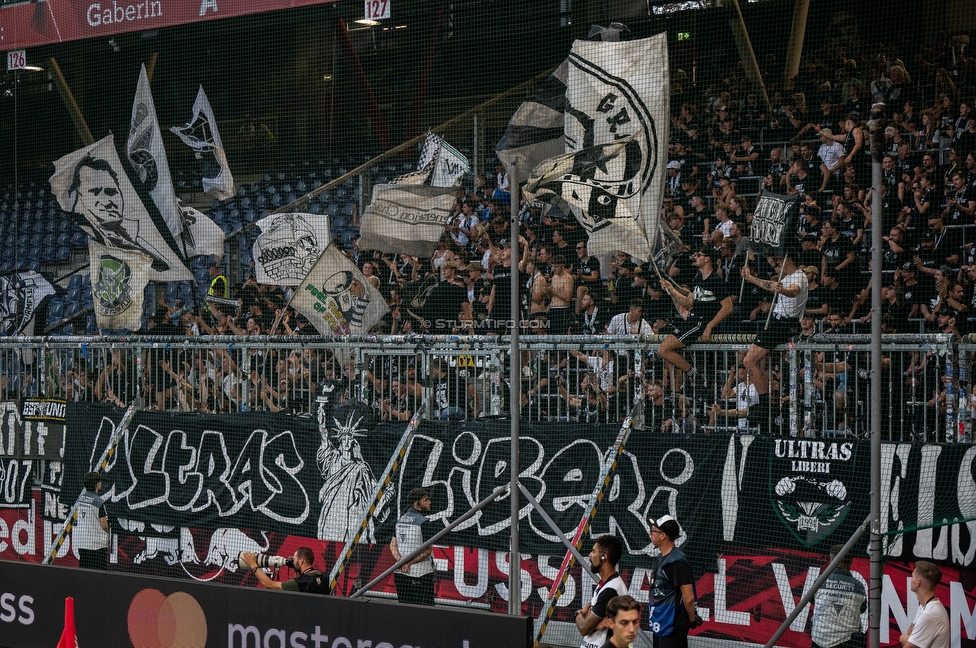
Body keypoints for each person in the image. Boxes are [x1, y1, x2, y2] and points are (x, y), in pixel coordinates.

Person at [740, 256, 808, 425]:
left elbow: (793, 290)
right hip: (779, 322)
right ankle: (765, 401)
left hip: (784, 324)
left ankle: (764, 404)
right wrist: (754, 274)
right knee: (756, 360)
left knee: (749, 360)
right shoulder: (787, 276)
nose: (777, 266)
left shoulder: (798, 276)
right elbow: (776, 282)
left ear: (788, 261)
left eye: (778, 263)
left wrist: (780, 289)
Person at [657, 247, 734, 384]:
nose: (695, 257)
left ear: (707, 258)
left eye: (699, 255)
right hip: (690, 321)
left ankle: (695, 375)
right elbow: (688, 303)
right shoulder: (698, 278)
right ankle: (694, 374)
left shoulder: (715, 280)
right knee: (662, 347)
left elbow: (728, 307)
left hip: (699, 323)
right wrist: (671, 289)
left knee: (663, 349)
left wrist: (709, 326)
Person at [648, 515, 702, 648]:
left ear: (663, 536)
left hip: (672, 626)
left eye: (653, 531)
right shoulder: (662, 557)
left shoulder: (676, 562)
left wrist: (691, 619)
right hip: (661, 623)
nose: (650, 533)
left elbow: (688, 597)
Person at [575, 534, 628, 648]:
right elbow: (588, 622)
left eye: (593, 551)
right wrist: (595, 624)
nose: (590, 555)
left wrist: (578, 614)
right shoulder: (605, 585)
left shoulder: (611, 590)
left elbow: (584, 628)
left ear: (604, 557)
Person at [810, 544, 866, 648]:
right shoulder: (859, 586)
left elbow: (811, 600)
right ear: (851, 561)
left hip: (819, 641)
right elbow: (862, 609)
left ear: (831, 561)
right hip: (848, 643)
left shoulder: (820, 581)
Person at [390, 487, 435, 606]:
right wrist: (408, 563)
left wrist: (401, 561)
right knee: (426, 612)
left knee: (405, 611)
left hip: (400, 574)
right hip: (422, 574)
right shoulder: (424, 522)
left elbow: (392, 545)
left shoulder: (399, 520)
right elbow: (428, 550)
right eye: (425, 500)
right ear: (417, 504)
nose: (429, 502)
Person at [899, 560, 949, 648]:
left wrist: (904, 638)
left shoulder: (929, 614)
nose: (911, 579)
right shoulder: (923, 607)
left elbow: (909, 644)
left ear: (918, 582)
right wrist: (909, 638)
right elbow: (910, 636)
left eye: (912, 576)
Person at [240, 546, 330, 594]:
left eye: (294, 559)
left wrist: (253, 564)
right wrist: (295, 570)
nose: (292, 562)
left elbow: (268, 584)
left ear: (301, 561)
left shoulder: (299, 583)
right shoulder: (325, 576)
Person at [73, 471, 110, 570]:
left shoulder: (80, 499)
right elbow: (104, 525)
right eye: (100, 482)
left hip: (83, 543)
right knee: (99, 575)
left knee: (84, 573)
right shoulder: (99, 501)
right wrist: (109, 533)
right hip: (96, 546)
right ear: (97, 484)